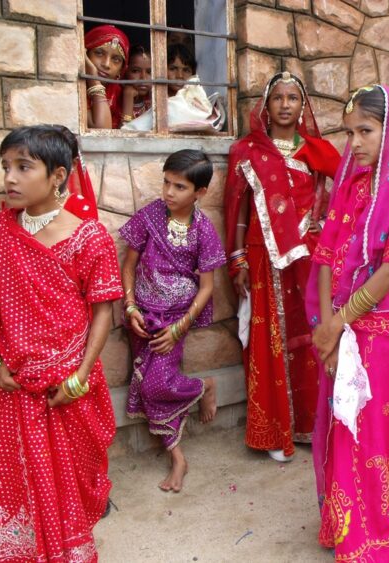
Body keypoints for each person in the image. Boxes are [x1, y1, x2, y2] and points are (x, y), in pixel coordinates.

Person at [0, 126, 123, 560]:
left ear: (57, 176)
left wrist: (78, 377)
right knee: (21, 474)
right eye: (6, 167)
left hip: (67, 385)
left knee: (73, 478)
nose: (10, 178)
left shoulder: (89, 237)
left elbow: (103, 312)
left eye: (23, 167)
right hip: (16, 381)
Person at [309, 85, 389, 562]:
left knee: (373, 428)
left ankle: (378, 530)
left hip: (380, 327)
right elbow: (326, 256)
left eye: (365, 131)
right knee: (343, 423)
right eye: (350, 133)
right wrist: (326, 326)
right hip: (341, 325)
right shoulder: (354, 180)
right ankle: (345, 521)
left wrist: (339, 322)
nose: (355, 143)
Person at [224, 71, 340, 462]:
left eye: (294, 98)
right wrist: (236, 257)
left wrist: (323, 231)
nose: (286, 104)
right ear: (266, 106)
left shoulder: (318, 151)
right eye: (279, 98)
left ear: (302, 105)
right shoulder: (247, 152)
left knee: (311, 338)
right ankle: (275, 431)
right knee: (269, 340)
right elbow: (237, 211)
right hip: (262, 258)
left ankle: (310, 424)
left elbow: (341, 198)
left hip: (309, 256)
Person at [120, 149, 225, 492]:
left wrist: (178, 328)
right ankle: (177, 457)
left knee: (155, 385)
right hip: (142, 318)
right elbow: (130, 267)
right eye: (166, 182)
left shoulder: (204, 230)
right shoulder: (149, 217)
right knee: (150, 390)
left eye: (179, 187)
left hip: (175, 322)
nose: (168, 192)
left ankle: (204, 386)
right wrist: (131, 307)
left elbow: (207, 288)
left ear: (200, 193)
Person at [84, 25, 130, 129]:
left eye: (116, 59)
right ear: (85, 54)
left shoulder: (119, 93)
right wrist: (94, 80)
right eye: (99, 53)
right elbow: (102, 129)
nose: (106, 64)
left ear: (121, 70)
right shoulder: (76, 89)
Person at [121, 45, 153, 125]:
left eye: (149, 72)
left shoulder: (155, 102)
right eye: (135, 71)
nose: (143, 78)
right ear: (125, 71)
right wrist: (128, 98)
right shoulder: (114, 98)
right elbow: (125, 134)